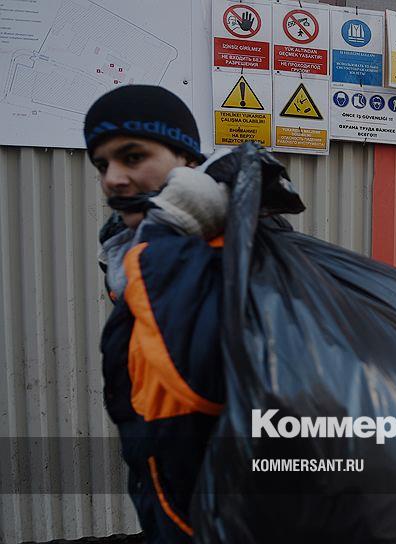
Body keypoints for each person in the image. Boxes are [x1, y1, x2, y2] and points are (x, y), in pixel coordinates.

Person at [85, 85, 228, 543]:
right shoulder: (134, 256)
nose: (112, 179)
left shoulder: (224, 250)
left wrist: (164, 234)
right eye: (102, 165)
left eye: (133, 157)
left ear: (187, 162)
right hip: (170, 504)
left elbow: (194, 374)